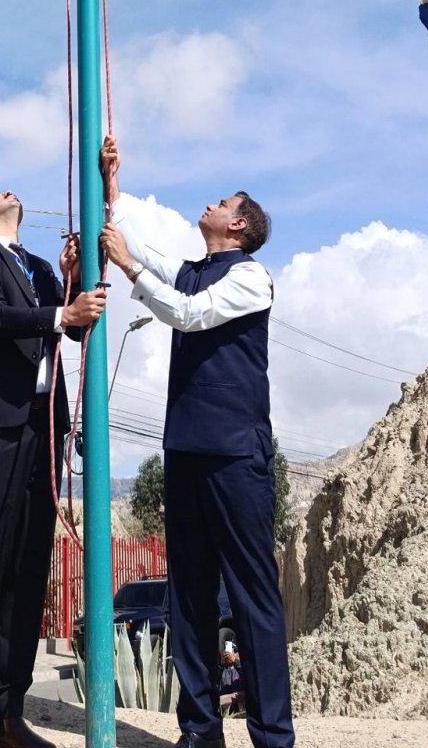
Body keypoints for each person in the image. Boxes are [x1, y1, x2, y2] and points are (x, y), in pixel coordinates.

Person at [99, 137, 293, 748]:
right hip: (184, 454)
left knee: (252, 598)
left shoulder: (251, 278)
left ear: (238, 224)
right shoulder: (194, 269)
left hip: (237, 458)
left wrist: (128, 268)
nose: (207, 206)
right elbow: (153, 252)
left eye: (220, 201)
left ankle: (271, 736)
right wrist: (111, 186)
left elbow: (186, 312)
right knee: (187, 599)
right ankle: (200, 731)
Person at [0, 188, 107, 748]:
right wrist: (62, 309)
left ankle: (9, 710)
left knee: (29, 564)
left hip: (43, 426)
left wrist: (71, 277)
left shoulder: (38, 267)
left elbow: (73, 317)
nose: (10, 191)